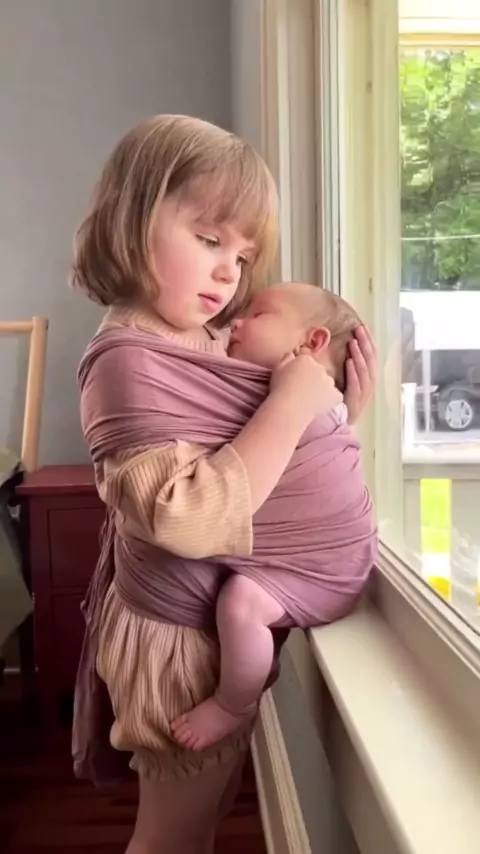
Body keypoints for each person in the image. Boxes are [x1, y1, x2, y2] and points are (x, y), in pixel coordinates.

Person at [71, 114, 376, 854]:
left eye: (242, 256)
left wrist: (335, 414)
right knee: (171, 838)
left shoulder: (192, 338)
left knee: (197, 827)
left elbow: (252, 444)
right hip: (175, 639)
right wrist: (295, 405)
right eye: (209, 239)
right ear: (132, 221)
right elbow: (189, 517)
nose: (228, 274)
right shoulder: (126, 361)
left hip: (201, 626)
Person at [171, 283, 378, 752]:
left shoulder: (303, 398)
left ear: (312, 342)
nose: (235, 323)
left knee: (240, 604)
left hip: (321, 572)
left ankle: (233, 704)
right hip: (334, 564)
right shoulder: (311, 404)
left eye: (258, 314)